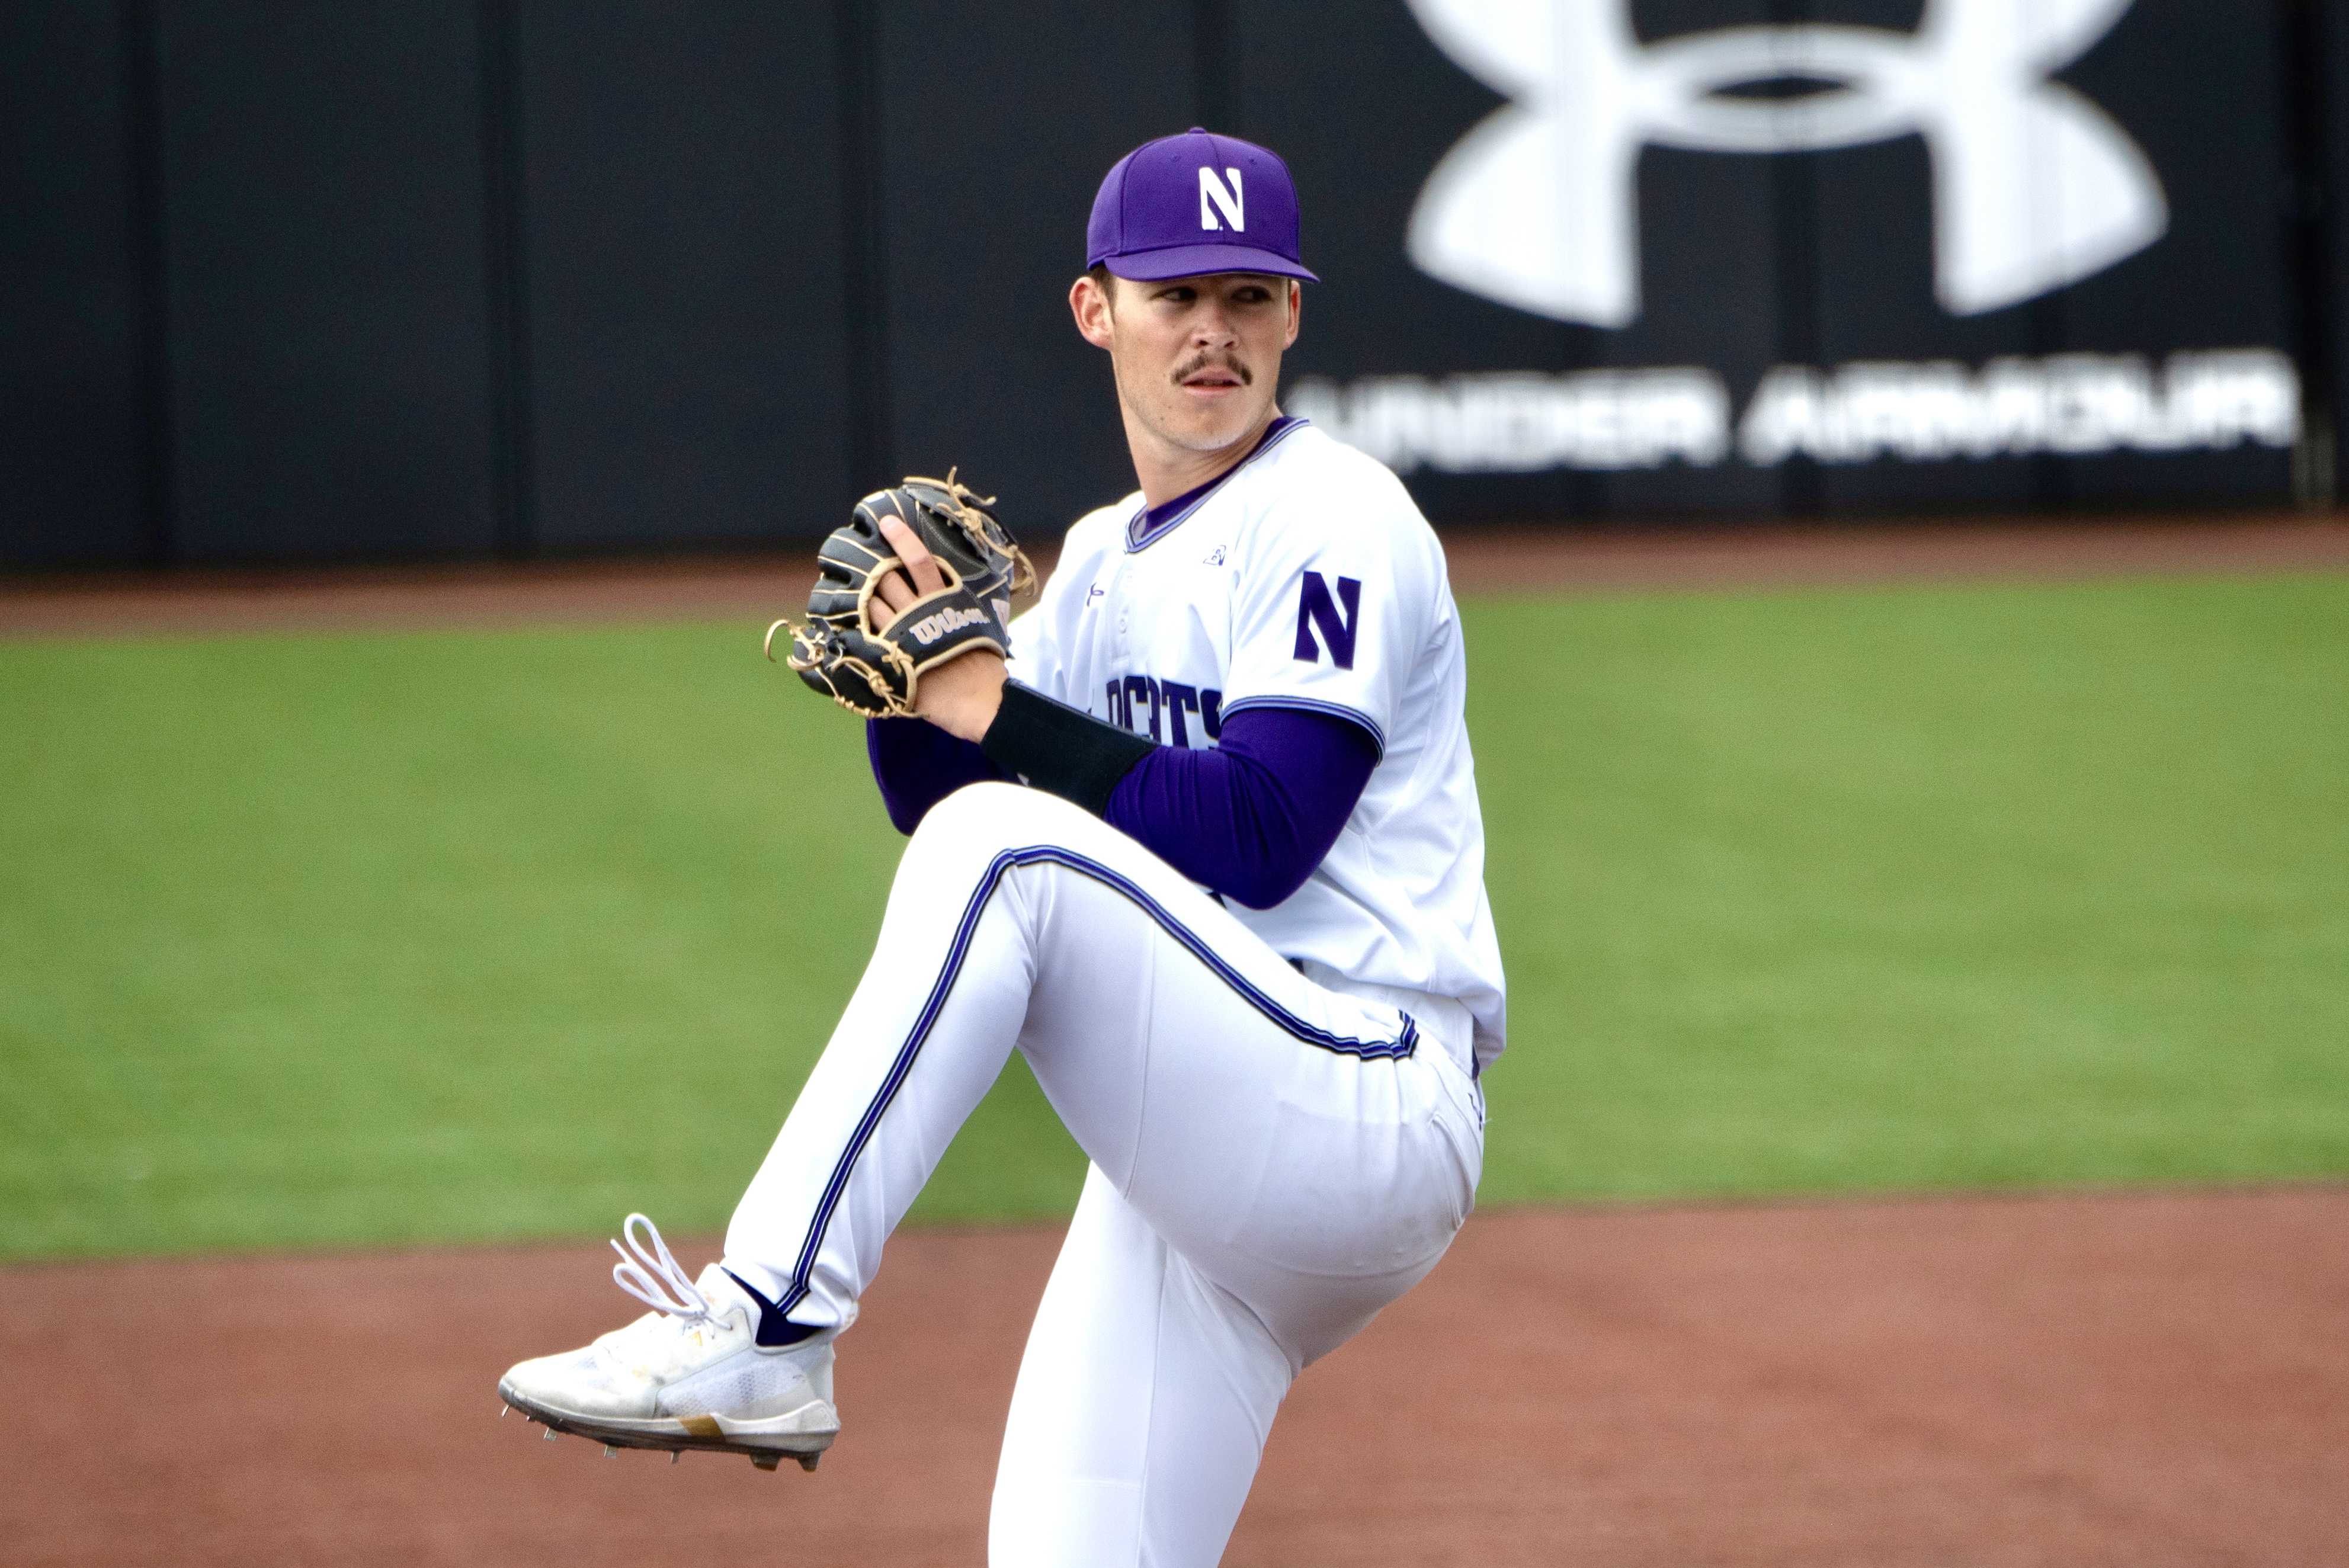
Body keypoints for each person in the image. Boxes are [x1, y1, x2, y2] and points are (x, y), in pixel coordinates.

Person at [498, 127, 1505, 1568]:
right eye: (1176, 295)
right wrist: (898, 682)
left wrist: (981, 701)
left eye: (1249, 295)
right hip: (1207, 1148)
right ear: (1096, 309)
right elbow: (935, 782)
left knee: (1010, 850)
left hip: (1364, 1099)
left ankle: (769, 1317)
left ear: (1295, 314)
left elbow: (1265, 832)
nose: (1213, 330)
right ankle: (769, 1330)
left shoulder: (1334, 514)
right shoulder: (1101, 558)